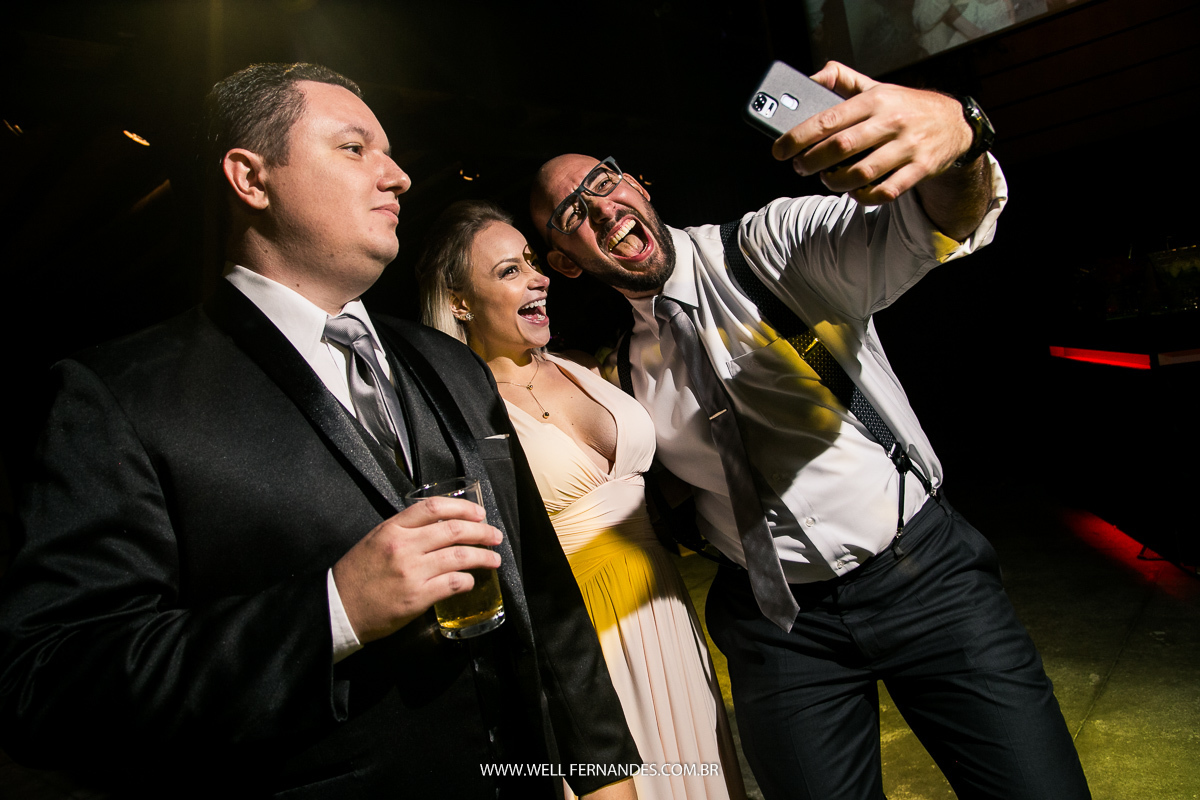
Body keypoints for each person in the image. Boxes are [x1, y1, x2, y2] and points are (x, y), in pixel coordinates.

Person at [0, 63, 640, 799]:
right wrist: (332, 610)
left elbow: (545, 592)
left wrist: (602, 772)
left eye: (392, 154)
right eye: (354, 148)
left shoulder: (448, 364)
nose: (398, 176)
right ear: (251, 177)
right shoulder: (119, 396)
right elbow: (46, 682)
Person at [530, 61, 1092, 800]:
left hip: (921, 578)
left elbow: (936, 224)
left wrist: (957, 135)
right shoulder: (626, 375)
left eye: (604, 182)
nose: (600, 209)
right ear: (566, 263)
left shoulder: (768, 247)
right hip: (780, 630)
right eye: (573, 214)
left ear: (638, 185)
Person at [415, 200, 746, 800]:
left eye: (531, 262)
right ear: (460, 302)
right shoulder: (457, 417)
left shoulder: (581, 367)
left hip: (667, 617)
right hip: (583, 642)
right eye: (508, 271)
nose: (537, 276)